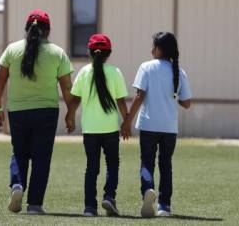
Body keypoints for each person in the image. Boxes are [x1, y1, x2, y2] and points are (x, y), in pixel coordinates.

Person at [0, 9, 74, 214]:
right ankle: (35, 205)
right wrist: (70, 113)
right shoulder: (58, 53)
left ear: (27, 28)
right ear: (48, 30)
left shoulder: (12, 50)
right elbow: (67, 89)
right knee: (41, 158)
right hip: (47, 112)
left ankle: (17, 185)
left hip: (18, 111)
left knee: (19, 152)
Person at [121, 32, 192, 217]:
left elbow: (139, 96)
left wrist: (127, 120)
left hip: (148, 124)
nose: (151, 50)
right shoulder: (180, 71)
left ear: (159, 49)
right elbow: (186, 103)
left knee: (147, 162)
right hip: (169, 127)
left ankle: (147, 191)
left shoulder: (146, 67)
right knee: (165, 164)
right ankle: (164, 206)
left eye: (153, 46)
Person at [66, 34, 128, 217]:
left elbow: (75, 100)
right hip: (110, 130)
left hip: (90, 130)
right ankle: (109, 196)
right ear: (108, 53)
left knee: (91, 167)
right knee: (113, 164)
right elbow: (121, 102)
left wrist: (69, 118)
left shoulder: (84, 72)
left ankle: (89, 207)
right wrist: (127, 122)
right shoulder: (115, 72)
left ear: (89, 53)